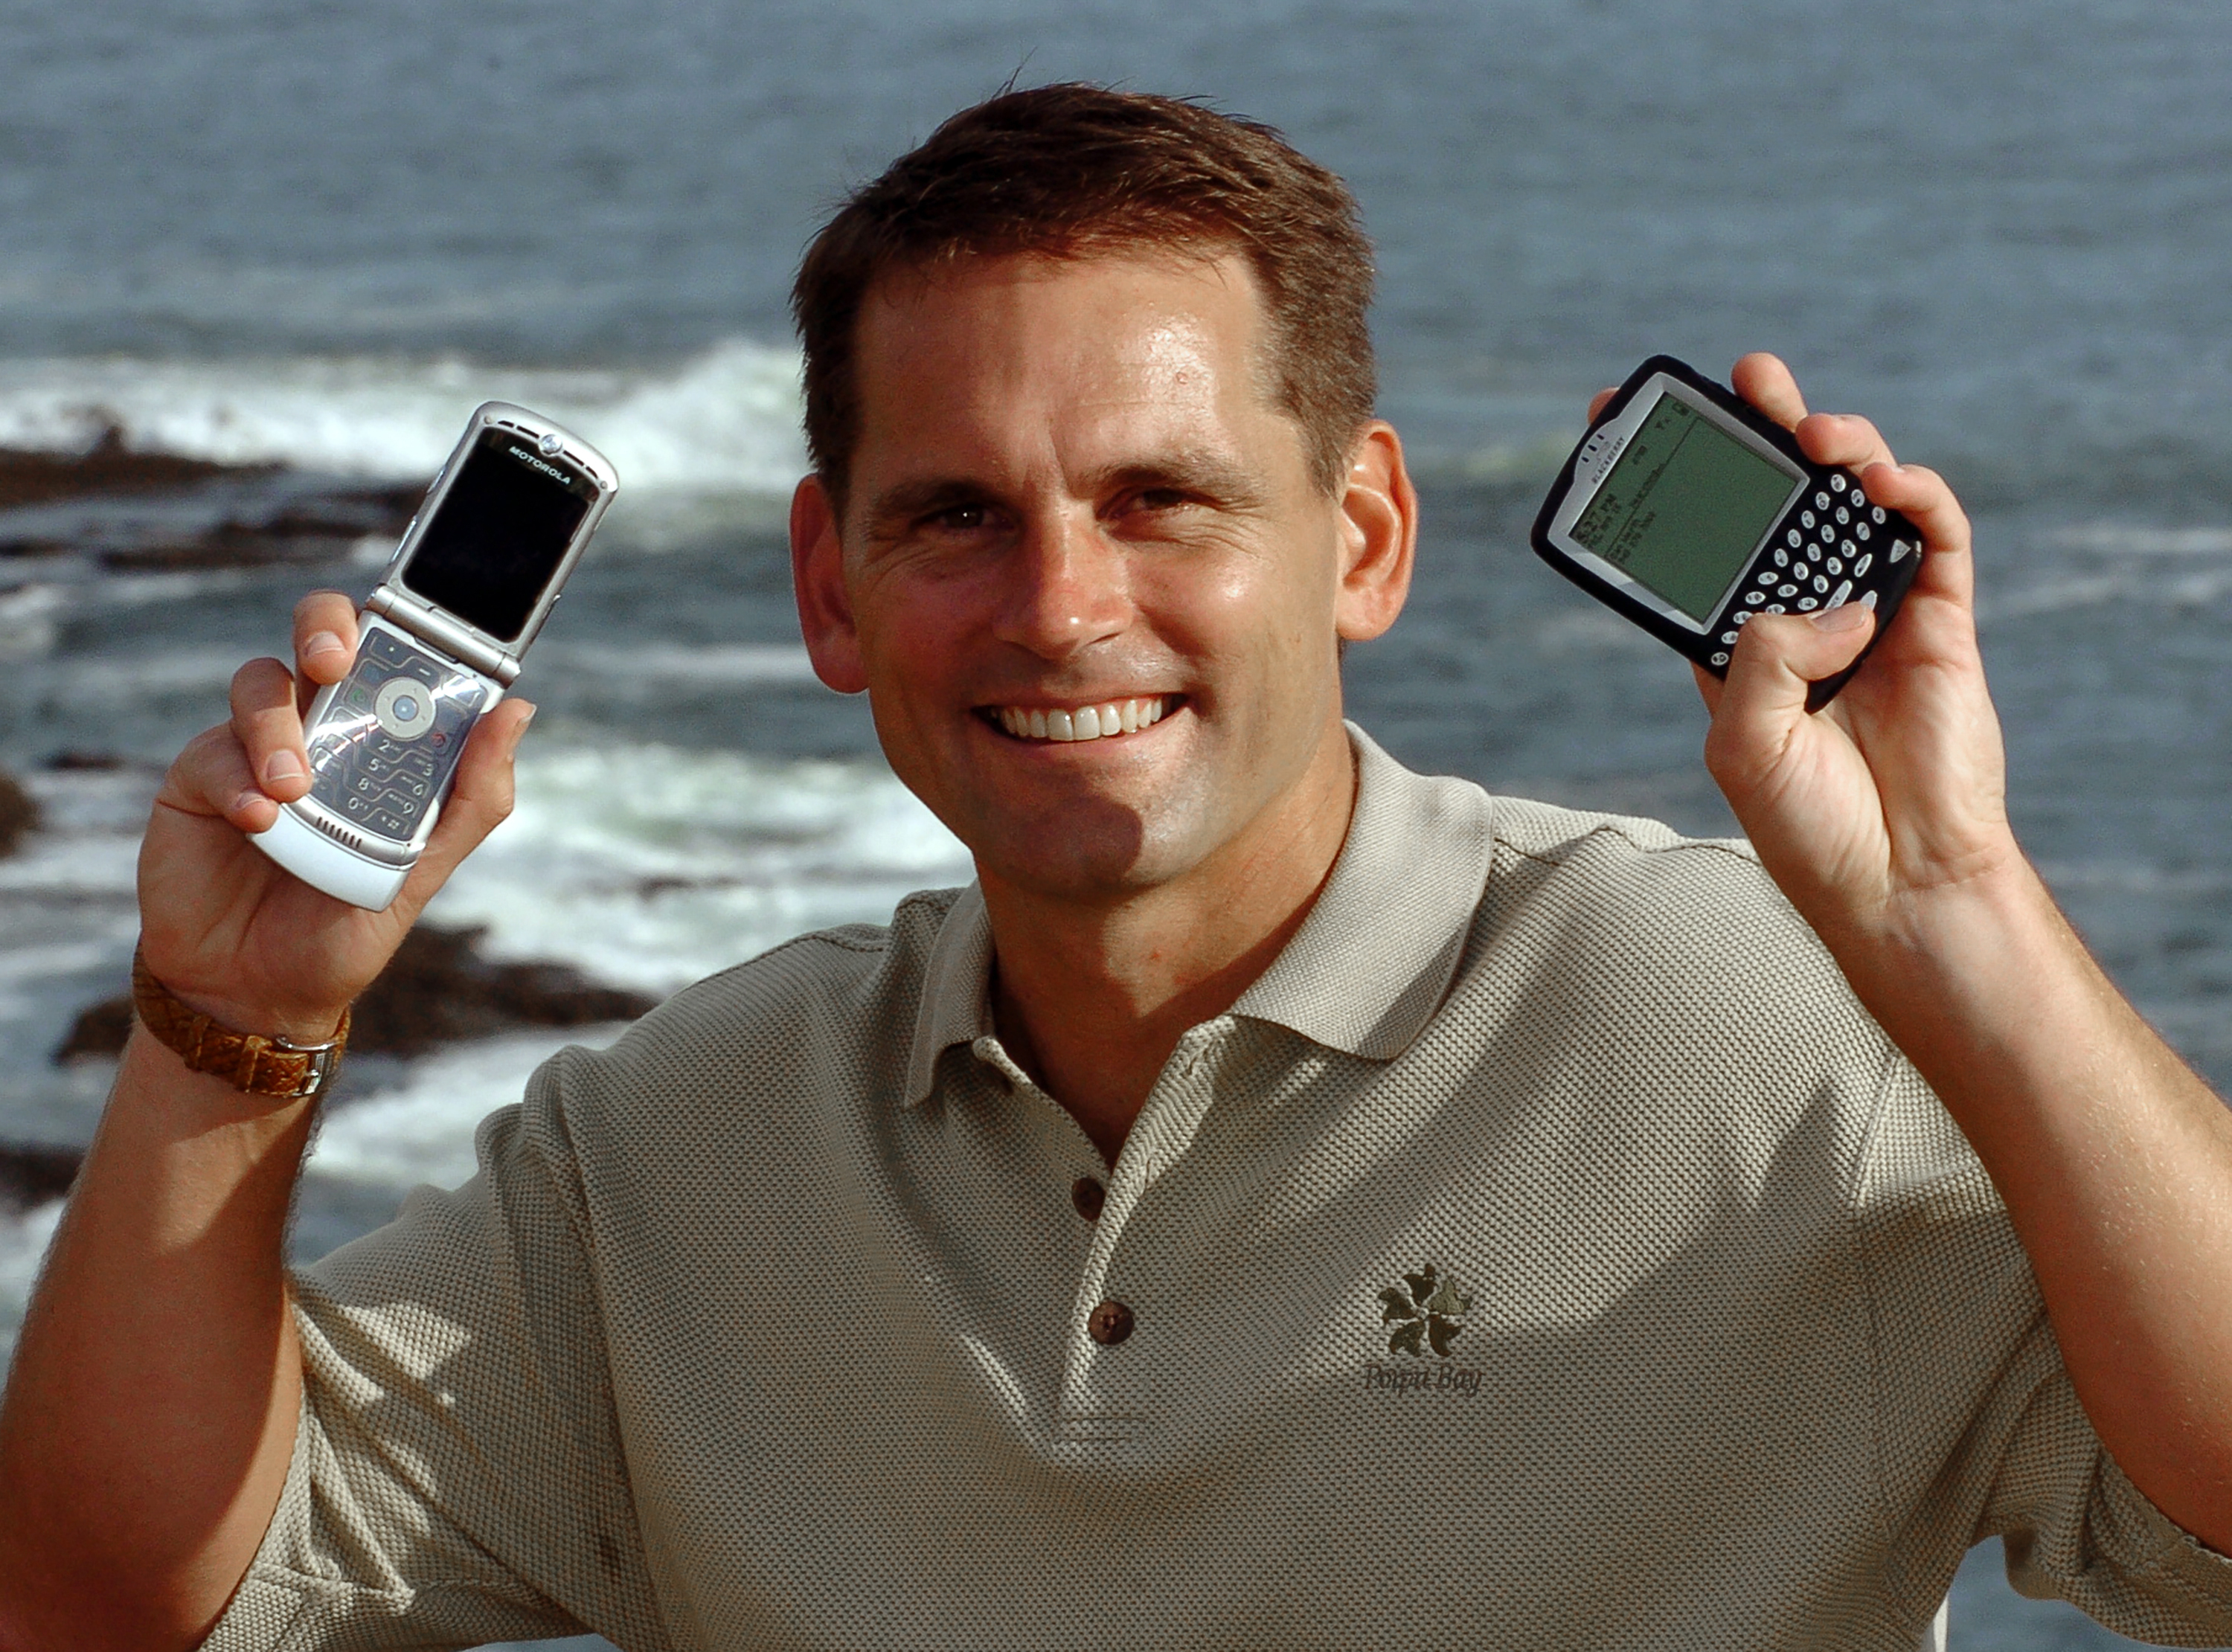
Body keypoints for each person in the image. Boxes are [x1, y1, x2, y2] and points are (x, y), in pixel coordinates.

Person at [4, 83, 2231, 1652]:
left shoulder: (1768, 1031)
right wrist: (236, 1030)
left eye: (1162, 500)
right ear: (830, 586)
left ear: (1358, 538)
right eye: (956, 515)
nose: (1061, 607)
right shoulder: (665, 1159)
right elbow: (114, 1610)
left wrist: (1955, 904)